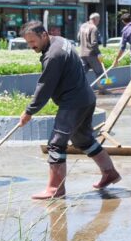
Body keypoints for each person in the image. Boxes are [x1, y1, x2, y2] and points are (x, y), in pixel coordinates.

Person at [18, 21, 121, 200]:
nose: (31, 46)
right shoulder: (60, 40)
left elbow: (45, 86)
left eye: (32, 41)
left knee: (56, 144)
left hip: (73, 103)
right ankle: (110, 173)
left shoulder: (53, 55)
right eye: (28, 43)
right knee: (84, 140)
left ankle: (55, 189)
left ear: (43, 35)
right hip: (86, 97)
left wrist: (29, 111)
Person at [78, 13, 109, 94]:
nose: (99, 22)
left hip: (82, 53)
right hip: (92, 54)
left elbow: (78, 38)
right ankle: (101, 90)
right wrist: (98, 53)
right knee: (99, 72)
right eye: (98, 20)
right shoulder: (93, 28)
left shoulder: (82, 26)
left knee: (82, 73)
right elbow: (94, 42)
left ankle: (77, 89)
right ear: (95, 19)